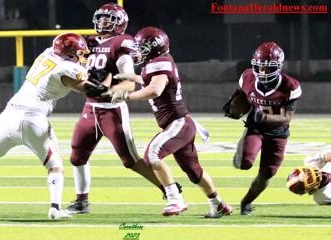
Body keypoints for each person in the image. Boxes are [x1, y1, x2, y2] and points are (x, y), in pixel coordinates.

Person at [0, 33, 108, 219]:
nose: (82, 56)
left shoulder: (47, 54)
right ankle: (55, 209)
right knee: (55, 166)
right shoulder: (68, 69)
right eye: (79, 53)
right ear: (70, 53)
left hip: (9, 114)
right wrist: (106, 84)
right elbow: (88, 88)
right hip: (34, 118)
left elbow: (72, 68)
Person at [111, 27, 233, 217]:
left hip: (178, 123)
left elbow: (155, 89)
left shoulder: (160, 63)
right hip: (180, 123)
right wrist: (130, 77)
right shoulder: (158, 62)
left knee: (152, 154)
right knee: (194, 172)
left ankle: (175, 199)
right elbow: (146, 78)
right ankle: (218, 204)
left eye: (142, 47)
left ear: (154, 47)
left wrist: (127, 95)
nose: (138, 51)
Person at [65, 3, 174, 215]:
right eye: (101, 18)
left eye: (109, 19)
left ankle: (169, 190)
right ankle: (81, 202)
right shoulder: (88, 42)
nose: (103, 22)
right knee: (77, 157)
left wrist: (110, 90)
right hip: (90, 108)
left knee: (131, 161)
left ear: (120, 23)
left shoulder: (122, 42)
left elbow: (129, 83)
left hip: (112, 110)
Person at [223, 42, 302, 215]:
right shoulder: (247, 78)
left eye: (268, 68)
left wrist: (265, 117)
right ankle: (242, 149)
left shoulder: (290, 86)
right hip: (255, 128)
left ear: (279, 66)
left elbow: (287, 117)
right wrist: (236, 105)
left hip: (278, 133)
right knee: (244, 163)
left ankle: (246, 202)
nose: (263, 72)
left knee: (267, 174)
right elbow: (242, 95)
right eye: (260, 67)